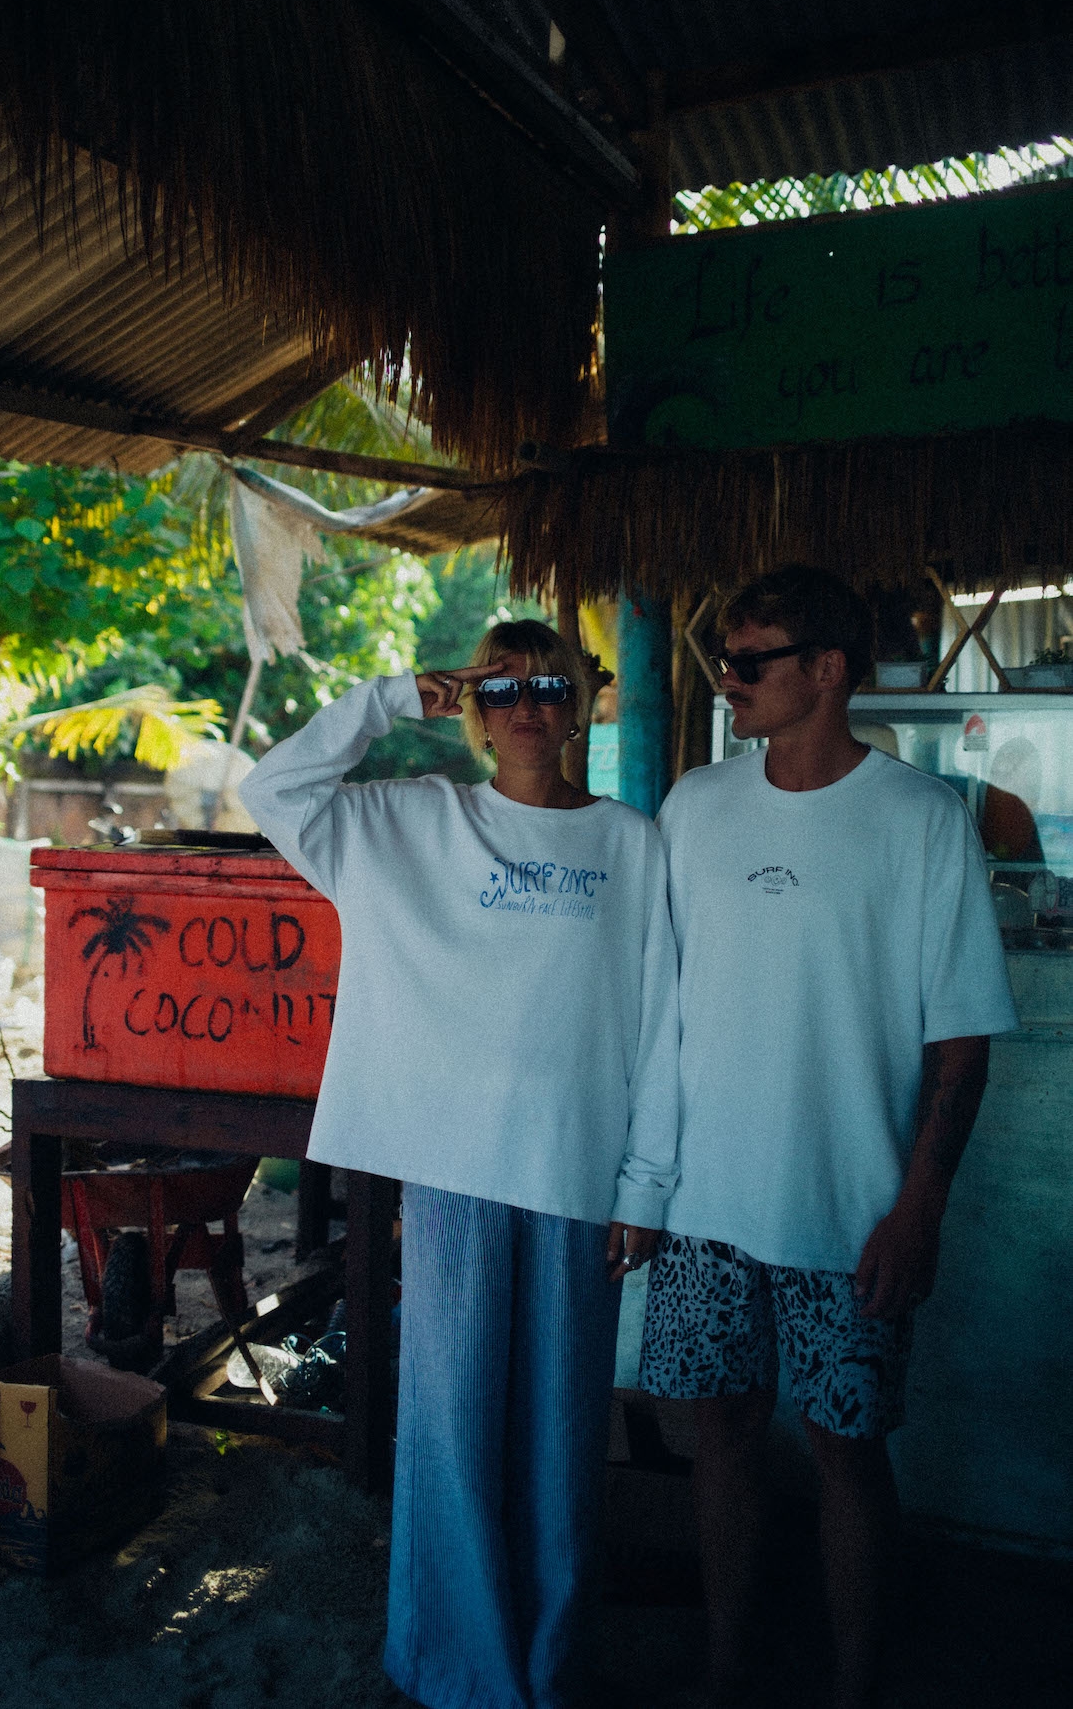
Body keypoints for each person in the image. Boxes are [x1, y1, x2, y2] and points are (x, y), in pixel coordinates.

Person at [239, 617, 681, 1709]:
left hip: (577, 1176)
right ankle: (455, 1667)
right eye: (499, 688)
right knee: (450, 1425)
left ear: (580, 702)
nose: (525, 704)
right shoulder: (408, 825)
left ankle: (547, 1663)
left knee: (559, 1437)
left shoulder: (632, 841)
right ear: (473, 712)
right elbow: (273, 787)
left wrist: (646, 1183)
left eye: (548, 684)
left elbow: (665, 1021)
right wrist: (399, 695)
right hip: (452, 1172)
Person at [638, 565, 1018, 1709]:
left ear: (829, 670)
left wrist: (916, 1209)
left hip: (850, 1210)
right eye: (724, 659)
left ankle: (855, 1684)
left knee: (848, 1447)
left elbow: (961, 1042)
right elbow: (655, 1009)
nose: (728, 678)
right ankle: (724, 1661)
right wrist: (639, 1182)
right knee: (720, 1430)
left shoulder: (917, 821)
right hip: (704, 1199)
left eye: (751, 661)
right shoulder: (694, 806)